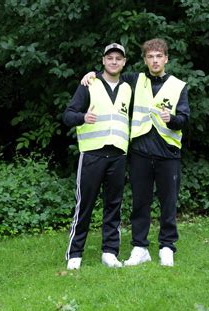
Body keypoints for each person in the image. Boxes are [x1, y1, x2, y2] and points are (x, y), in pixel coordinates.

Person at [81, 38, 190, 267]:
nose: (155, 60)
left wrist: (172, 120)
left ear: (166, 59)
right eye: (150, 56)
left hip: (168, 153)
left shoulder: (178, 85)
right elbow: (110, 74)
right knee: (140, 202)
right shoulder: (135, 80)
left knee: (168, 203)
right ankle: (140, 248)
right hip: (140, 152)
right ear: (145, 60)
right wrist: (91, 74)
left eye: (159, 56)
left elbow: (184, 119)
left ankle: (167, 247)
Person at [63, 43, 132, 270]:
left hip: (118, 155)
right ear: (103, 60)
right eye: (110, 58)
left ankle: (110, 252)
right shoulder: (89, 84)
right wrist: (83, 117)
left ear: (124, 62)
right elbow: (68, 115)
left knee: (114, 205)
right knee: (85, 205)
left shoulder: (128, 86)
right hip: (92, 153)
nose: (114, 62)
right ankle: (75, 254)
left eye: (118, 59)